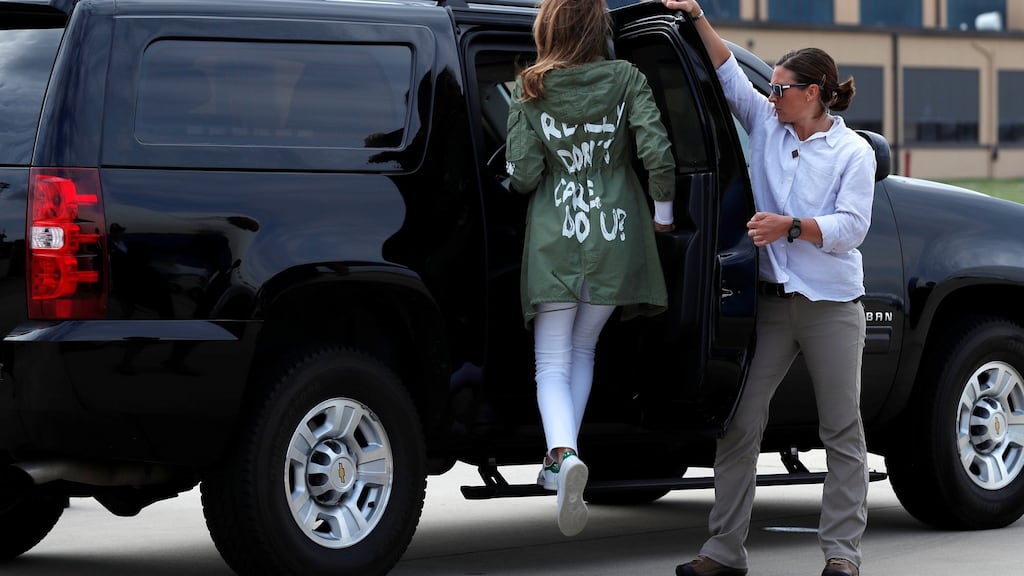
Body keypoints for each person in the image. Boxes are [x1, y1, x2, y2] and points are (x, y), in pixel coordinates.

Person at [660, 2, 875, 576]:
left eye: (781, 90)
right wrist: (697, 16)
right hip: (773, 305)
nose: (772, 97)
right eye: (772, 89)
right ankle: (723, 551)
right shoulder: (766, 124)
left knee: (842, 430)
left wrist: (791, 227)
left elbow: (853, 228)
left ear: (815, 93)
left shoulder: (852, 153)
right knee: (739, 422)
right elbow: (728, 71)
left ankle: (841, 556)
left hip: (832, 306)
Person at [505, 0, 676, 538]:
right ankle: (566, 459)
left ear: (548, 28)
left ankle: (562, 455)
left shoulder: (529, 88)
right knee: (583, 347)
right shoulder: (626, 76)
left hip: (557, 240)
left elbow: (525, 174)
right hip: (616, 235)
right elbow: (658, 150)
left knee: (551, 357)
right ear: (597, 28)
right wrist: (665, 212)